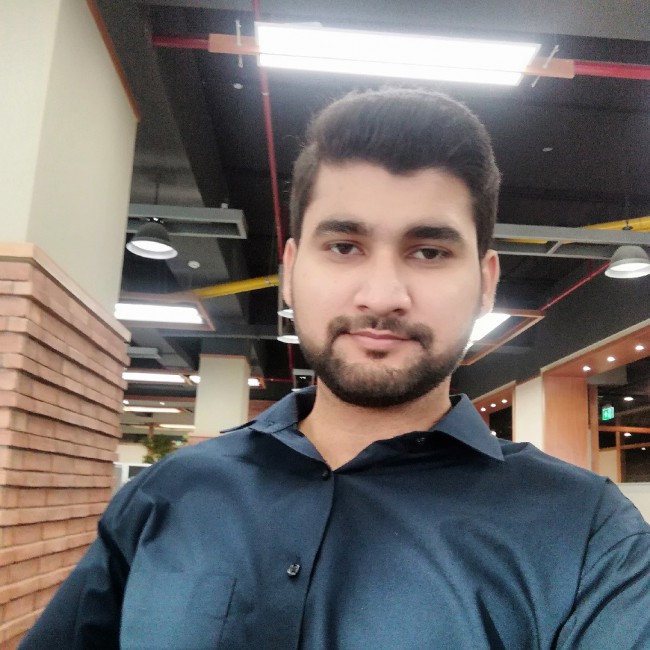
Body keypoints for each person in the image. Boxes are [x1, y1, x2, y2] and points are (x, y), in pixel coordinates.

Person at [21, 88, 649, 649]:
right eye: (344, 246)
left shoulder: (588, 534)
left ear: (486, 283)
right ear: (291, 271)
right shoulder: (168, 495)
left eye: (429, 252)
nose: (382, 295)